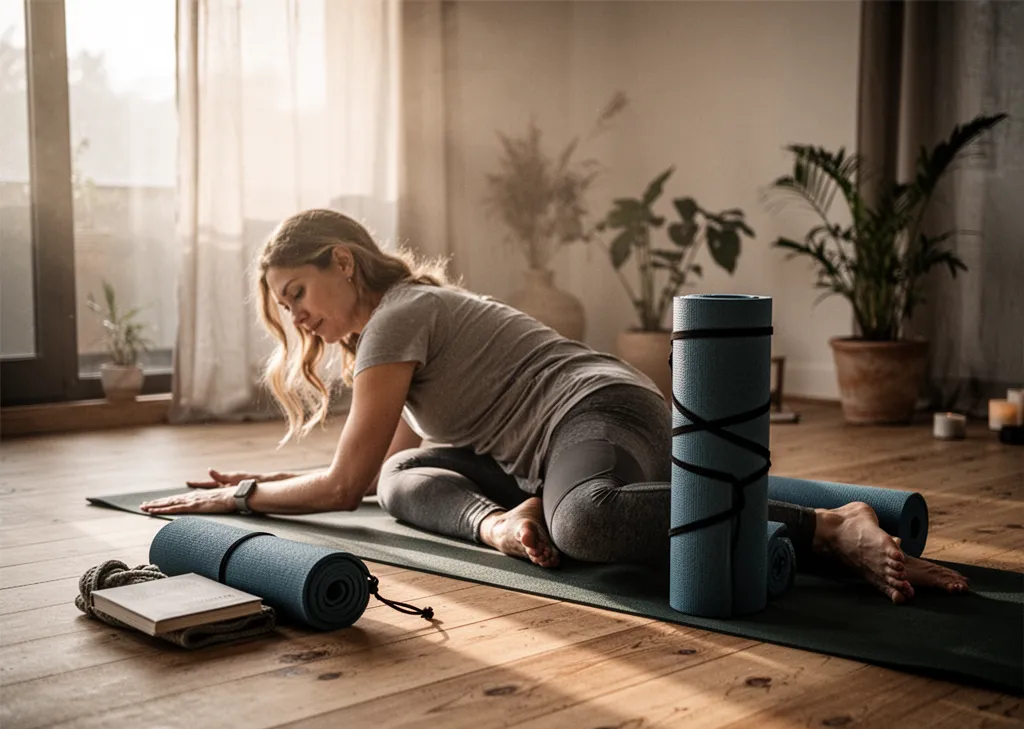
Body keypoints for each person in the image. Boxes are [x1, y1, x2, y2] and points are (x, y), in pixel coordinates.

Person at [140, 208, 970, 604]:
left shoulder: (399, 317)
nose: (298, 318)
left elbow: (338, 486)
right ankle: (501, 525)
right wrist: (270, 479)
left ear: (344, 262)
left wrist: (242, 497)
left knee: (586, 524)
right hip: (529, 458)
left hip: (598, 411)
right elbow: (374, 470)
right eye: (284, 309)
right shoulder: (380, 339)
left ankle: (828, 525)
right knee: (405, 479)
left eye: (298, 292)